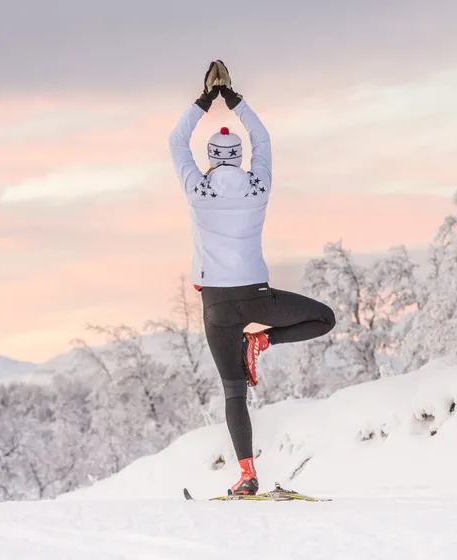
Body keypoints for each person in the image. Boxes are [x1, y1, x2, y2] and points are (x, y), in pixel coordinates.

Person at [168, 61, 336, 495]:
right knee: (325, 319)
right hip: (257, 296)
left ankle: (247, 475)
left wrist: (207, 100)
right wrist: (234, 101)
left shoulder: (197, 189)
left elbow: (176, 142)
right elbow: (263, 140)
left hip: (217, 308)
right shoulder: (258, 185)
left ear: (210, 158)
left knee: (234, 393)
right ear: (239, 157)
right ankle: (262, 342)